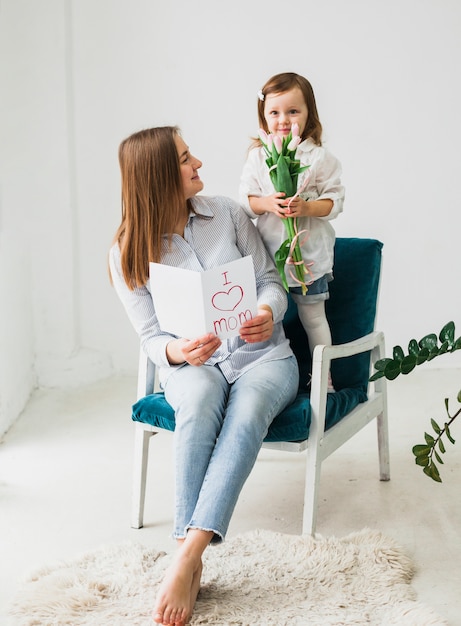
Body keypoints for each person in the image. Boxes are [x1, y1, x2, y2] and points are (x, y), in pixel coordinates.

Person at [109, 126, 299, 626]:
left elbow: (270, 281)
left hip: (263, 359)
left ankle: (186, 555)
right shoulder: (126, 251)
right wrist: (178, 350)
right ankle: (188, 553)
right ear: (156, 177)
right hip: (193, 365)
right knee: (196, 403)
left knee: (249, 411)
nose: (198, 164)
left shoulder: (229, 214)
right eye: (185, 159)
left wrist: (266, 312)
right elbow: (150, 338)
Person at [239, 72, 345, 391]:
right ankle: (267, 376)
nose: (283, 120)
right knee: (269, 319)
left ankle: (322, 377)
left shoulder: (319, 157)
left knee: (313, 318)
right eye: (275, 112)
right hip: (270, 258)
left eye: (293, 111)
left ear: (308, 112)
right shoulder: (258, 157)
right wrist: (267, 203)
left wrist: (305, 207)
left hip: (307, 257)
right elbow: (245, 201)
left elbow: (335, 201)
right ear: (264, 116)